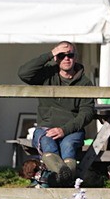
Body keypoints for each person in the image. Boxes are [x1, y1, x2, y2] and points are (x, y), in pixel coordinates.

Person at [18, 42, 95, 186]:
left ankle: (56, 178)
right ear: (56, 58)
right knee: (47, 141)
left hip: (72, 130)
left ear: (75, 57)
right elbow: (23, 73)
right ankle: (65, 178)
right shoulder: (47, 75)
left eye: (70, 55)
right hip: (45, 128)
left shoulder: (85, 83)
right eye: (61, 55)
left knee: (69, 144)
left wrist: (64, 130)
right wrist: (49, 53)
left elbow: (87, 112)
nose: (66, 58)